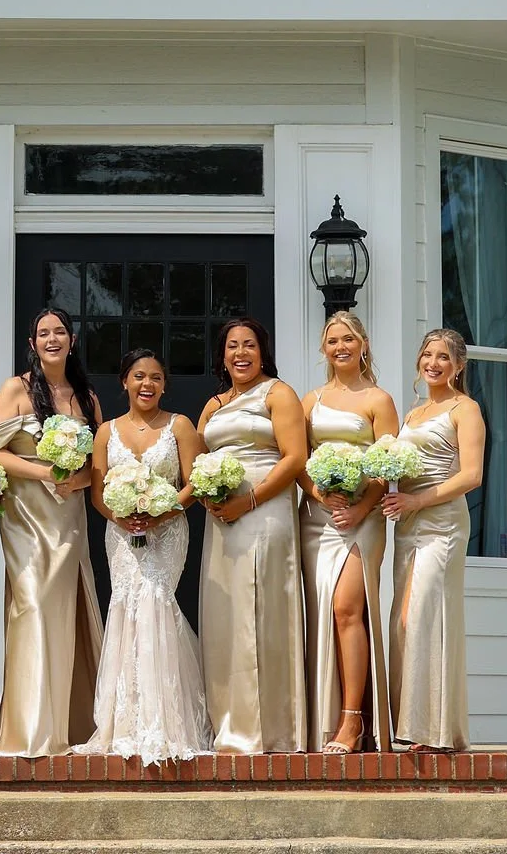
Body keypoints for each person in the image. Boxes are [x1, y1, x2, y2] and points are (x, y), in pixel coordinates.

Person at [76, 349, 211, 764]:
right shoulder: (106, 431)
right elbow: (97, 492)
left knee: (155, 602)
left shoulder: (180, 426)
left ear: (164, 384)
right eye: (138, 376)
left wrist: (161, 512)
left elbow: (195, 482)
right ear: (125, 382)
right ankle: (125, 723)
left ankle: (168, 722)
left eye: (154, 377)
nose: (147, 384)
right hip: (120, 534)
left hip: (168, 531)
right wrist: (122, 516)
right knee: (126, 608)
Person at [0, 308, 104, 756]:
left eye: (59, 332)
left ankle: (67, 724)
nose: (51, 339)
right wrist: (43, 472)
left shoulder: (87, 398)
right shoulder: (17, 389)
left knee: (63, 613)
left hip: (68, 519)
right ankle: (27, 730)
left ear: (71, 340)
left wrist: (78, 478)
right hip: (27, 520)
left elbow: (99, 466)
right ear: (32, 344)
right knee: (31, 607)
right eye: (42, 333)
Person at [197, 317, 309, 754]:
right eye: (231, 346)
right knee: (227, 616)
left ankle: (273, 730)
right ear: (222, 355)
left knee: (263, 612)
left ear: (263, 352)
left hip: (266, 512)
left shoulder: (278, 394)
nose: (240, 354)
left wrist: (251, 500)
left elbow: (295, 457)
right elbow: (196, 459)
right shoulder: (214, 403)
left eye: (249, 345)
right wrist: (209, 496)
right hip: (222, 519)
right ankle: (229, 724)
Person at [298, 312, 398, 753]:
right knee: (324, 614)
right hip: (319, 519)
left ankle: (353, 720)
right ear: (324, 349)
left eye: (348, 339)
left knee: (347, 609)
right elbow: (297, 459)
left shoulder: (379, 399)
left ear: (363, 344)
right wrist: (319, 495)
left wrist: (360, 507)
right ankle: (332, 714)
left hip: (364, 516)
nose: (341, 347)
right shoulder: (311, 399)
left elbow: (389, 463)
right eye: (333, 340)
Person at [383, 328, 486, 752]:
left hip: (442, 522)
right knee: (403, 621)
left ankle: (436, 732)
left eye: (443, 357)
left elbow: (471, 476)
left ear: (458, 365)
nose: (433, 363)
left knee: (427, 614)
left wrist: (416, 500)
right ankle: (411, 725)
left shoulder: (466, 409)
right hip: (408, 524)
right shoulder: (412, 414)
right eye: (428, 354)